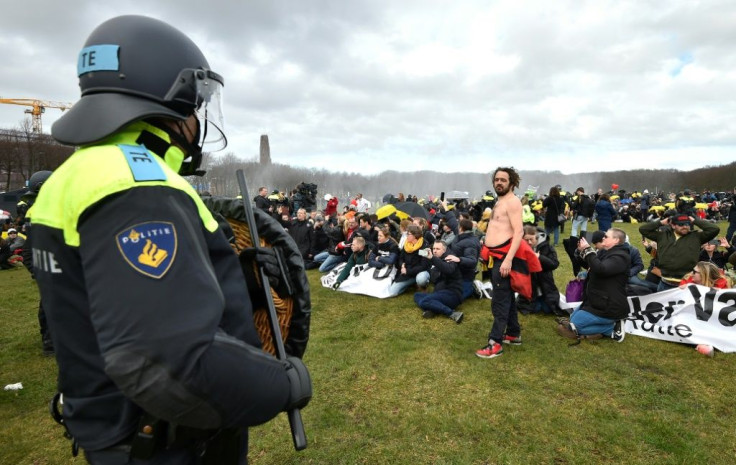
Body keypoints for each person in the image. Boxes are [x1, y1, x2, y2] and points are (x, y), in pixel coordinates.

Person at [31, 15, 310, 463]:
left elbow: (111, 299)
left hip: (119, 430)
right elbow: (168, 362)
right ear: (172, 101)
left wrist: (240, 284)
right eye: (195, 105)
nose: (197, 120)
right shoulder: (135, 185)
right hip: (169, 443)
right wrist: (282, 383)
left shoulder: (81, 174)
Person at [476, 167, 526, 359]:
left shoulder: (512, 202)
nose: (499, 183)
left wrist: (508, 259)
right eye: (496, 179)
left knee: (500, 302)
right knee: (505, 297)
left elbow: (519, 232)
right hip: (495, 256)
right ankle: (513, 334)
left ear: (511, 183)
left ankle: (494, 342)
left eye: (503, 180)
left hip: (503, 258)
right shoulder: (500, 200)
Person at [559, 228, 631, 342]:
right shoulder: (604, 251)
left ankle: (610, 327)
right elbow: (590, 265)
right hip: (596, 298)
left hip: (609, 303)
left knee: (573, 326)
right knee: (572, 319)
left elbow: (601, 269)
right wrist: (580, 251)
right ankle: (606, 327)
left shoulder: (621, 256)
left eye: (606, 237)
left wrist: (588, 250)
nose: (603, 238)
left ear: (616, 240)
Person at [639, 213, 719, 291]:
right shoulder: (662, 236)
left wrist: (695, 221)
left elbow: (714, 229)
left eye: (687, 224)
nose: (685, 227)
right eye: (681, 224)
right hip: (665, 282)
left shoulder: (696, 237)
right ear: (673, 225)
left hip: (686, 283)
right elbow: (643, 229)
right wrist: (661, 222)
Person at [413, 240, 465, 323]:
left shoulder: (450, 257)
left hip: (452, 294)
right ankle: (434, 309)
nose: (435, 251)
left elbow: (448, 270)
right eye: (433, 248)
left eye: (438, 249)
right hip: (439, 293)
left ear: (444, 250)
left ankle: (452, 313)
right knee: (417, 295)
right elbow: (434, 279)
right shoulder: (434, 260)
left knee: (424, 301)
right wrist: (429, 260)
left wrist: (433, 259)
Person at [516, 225, 561, 315]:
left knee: (548, 309)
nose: (529, 242)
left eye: (531, 239)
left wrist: (539, 257)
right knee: (535, 309)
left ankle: (541, 300)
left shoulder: (547, 247)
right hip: (530, 286)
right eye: (526, 239)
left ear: (536, 237)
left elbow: (554, 264)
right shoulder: (520, 247)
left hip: (545, 285)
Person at [389, 224, 431, 296]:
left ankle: (422, 285)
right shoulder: (407, 244)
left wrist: (407, 271)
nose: (406, 236)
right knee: (392, 292)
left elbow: (423, 266)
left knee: (421, 279)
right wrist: (402, 265)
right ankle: (411, 284)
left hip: (419, 272)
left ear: (415, 236)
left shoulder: (424, 246)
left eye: (408, 234)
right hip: (407, 272)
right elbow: (401, 258)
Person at [445, 218, 481, 301]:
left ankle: (472, 288)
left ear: (460, 228)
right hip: (454, 272)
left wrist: (459, 259)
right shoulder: (459, 236)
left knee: (455, 298)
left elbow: (472, 261)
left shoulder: (471, 243)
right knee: (443, 290)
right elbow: (452, 221)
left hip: (465, 275)